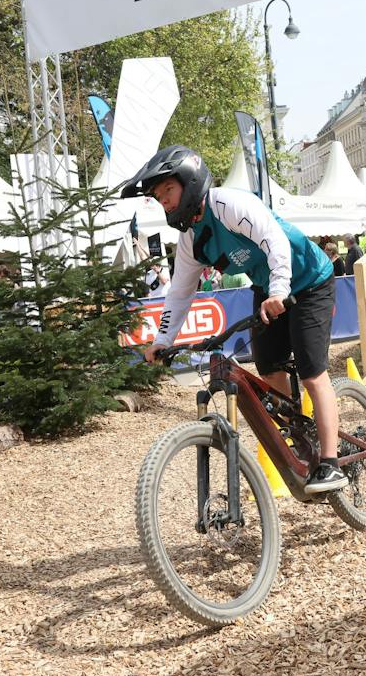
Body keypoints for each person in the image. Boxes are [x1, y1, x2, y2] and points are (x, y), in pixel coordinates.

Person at [126, 145, 347, 493]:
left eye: (167, 190)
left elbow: (273, 241)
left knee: (312, 372)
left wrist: (278, 290)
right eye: (158, 197)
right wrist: (163, 340)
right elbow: (180, 292)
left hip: (309, 280)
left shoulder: (229, 205)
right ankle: (303, 440)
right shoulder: (190, 239)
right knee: (270, 368)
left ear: (190, 181)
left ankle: (331, 463)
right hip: (269, 288)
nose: (164, 202)